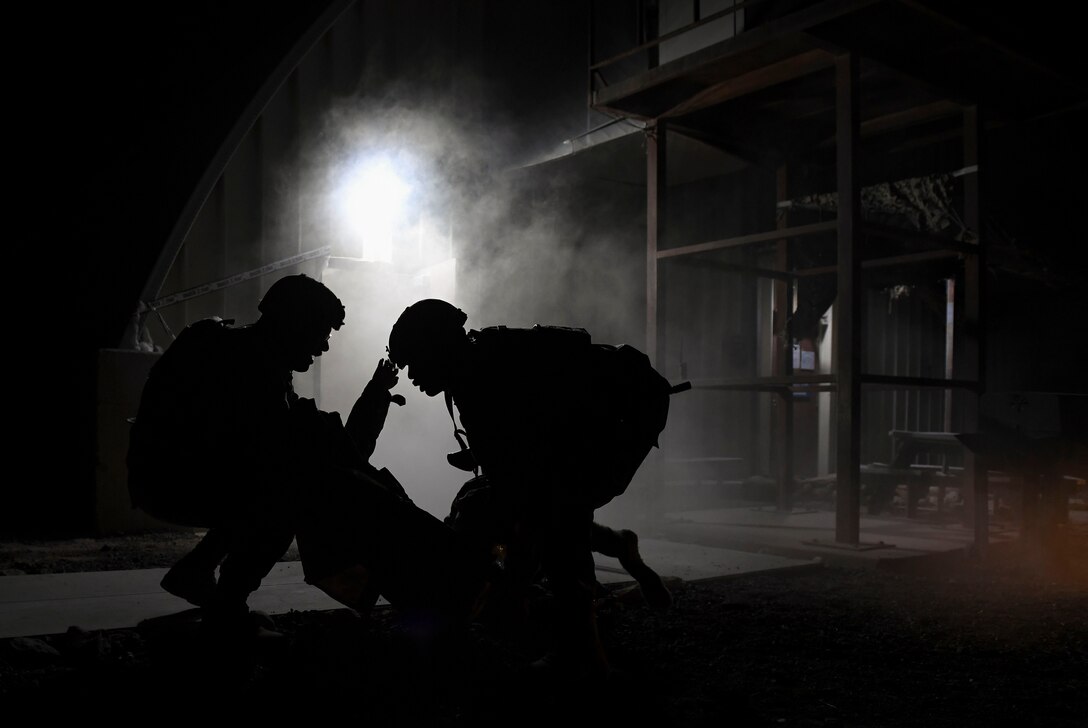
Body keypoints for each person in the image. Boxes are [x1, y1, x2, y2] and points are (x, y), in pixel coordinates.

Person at [386, 299, 679, 677]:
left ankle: (585, 657)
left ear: (438, 348)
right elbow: (516, 462)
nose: (411, 376)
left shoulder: (487, 376)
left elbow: (531, 477)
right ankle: (617, 545)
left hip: (622, 423)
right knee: (525, 507)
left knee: (556, 529)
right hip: (601, 427)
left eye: (414, 362)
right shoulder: (475, 369)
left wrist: (512, 578)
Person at [126, 273, 360, 640]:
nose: (324, 347)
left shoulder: (249, 353)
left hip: (166, 476)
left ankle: (198, 571)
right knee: (290, 491)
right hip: (171, 480)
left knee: (278, 477)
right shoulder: (247, 364)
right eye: (320, 331)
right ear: (293, 324)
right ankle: (228, 607)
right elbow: (269, 449)